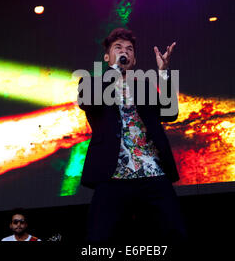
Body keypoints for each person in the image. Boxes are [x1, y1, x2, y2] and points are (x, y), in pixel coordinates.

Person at [78, 28, 188, 243]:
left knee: (176, 233)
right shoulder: (91, 84)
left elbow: (170, 113)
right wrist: (115, 73)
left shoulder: (144, 87)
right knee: (99, 239)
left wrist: (164, 73)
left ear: (134, 59)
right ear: (107, 56)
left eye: (129, 49)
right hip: (113, 175)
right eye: (118, 48)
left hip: (151, 172)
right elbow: (87, 102)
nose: (124, 52)